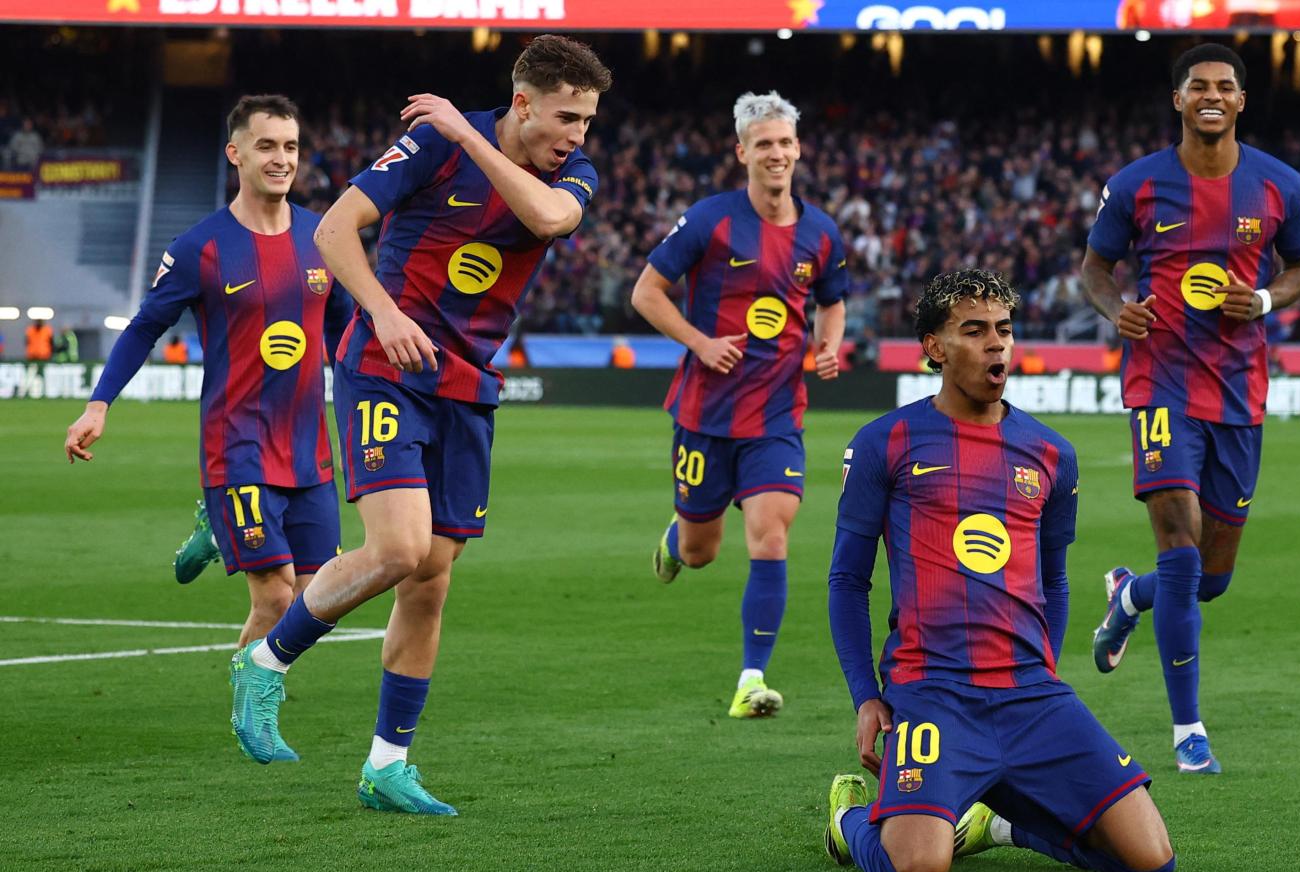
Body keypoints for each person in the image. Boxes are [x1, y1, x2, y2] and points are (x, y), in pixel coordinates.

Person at [249, 35, 612, 815]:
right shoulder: (427, 145)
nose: (577, 135)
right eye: (565, 117)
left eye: (585, 120)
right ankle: (266, 662)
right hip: (387, 366)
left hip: (468, 386)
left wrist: (471, 134)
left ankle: (387, 765)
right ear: (524, 103)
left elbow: (549, 219)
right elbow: (334, 231)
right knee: (400, 548)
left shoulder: (562, 171)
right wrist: (380, 315)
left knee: (429, 584)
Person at [823, 268, 1174, 872]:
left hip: (1030, 696)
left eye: (1004, 330)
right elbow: (849, 580)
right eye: (975, 330)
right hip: (932, 692)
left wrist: (1048, 672)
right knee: (919, 866)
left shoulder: (1050, 453)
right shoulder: (887, 441)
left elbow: (1054, 582)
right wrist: (866, 697)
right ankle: (850, 817)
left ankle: (999, 824)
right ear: (933, 346)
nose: (996, 344)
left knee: (1150, 858)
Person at [64, 97, 354, 759]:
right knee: (275, 592)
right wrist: (98, 404)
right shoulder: (200, 247)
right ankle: (254, 706)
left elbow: (341, 331)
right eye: (266, 146)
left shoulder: (324, 235)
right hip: (238, 445)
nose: (281, 159)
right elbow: (144, 327)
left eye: (290, 146)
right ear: (236, 154)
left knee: (319, 599)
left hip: (309, 447)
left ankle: (212, 528)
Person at [1079, 43, 1300, 775]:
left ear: (1241, 100)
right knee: (1179, 540)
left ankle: (1129, 598)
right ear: (1178, 100)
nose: (1211, 95)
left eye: (1224, 86)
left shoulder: (1279, 186)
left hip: (1240, 393)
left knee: (1209, 578)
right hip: (1161, 384)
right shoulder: (1135, 186)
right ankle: (1189, 733)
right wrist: (1118, 309)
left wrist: (1270, 299)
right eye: (1198, 86)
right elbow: (1095, 267)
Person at [631, 91, 848, 719]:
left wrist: (829, 345)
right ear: (742, 153)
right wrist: (699, 342)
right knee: (702, 551)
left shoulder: (820, 232)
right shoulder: (710, 221)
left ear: (798, 149)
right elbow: (647, 292)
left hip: (777, 417)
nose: (776, 153)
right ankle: (677, 541)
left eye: (784, 142)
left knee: (771, 536)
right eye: (763, 145)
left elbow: (831, 301)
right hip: (705, 414)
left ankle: (752, 679)